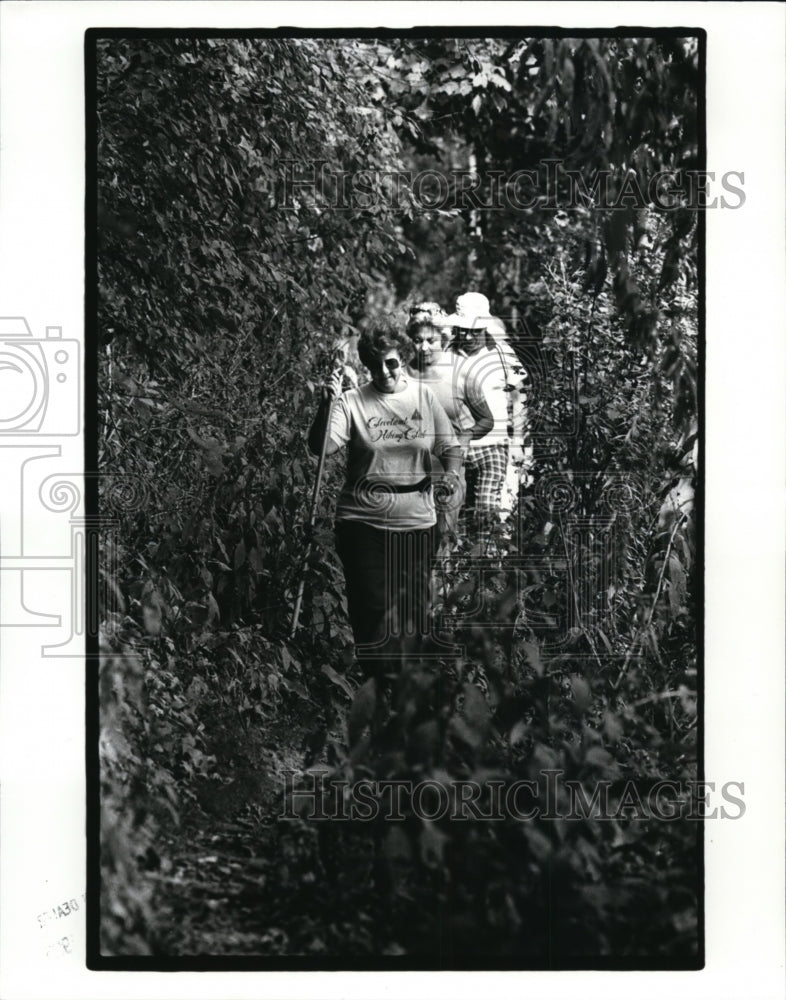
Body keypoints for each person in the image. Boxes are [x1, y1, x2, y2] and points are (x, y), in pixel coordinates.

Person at [308, 318, 462, 677]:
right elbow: (321, 448)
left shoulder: (423, 397)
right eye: (375, 364)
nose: (383, 371)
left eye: (391, 362)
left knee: (411, 609)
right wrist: (324, 406)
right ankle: (377, 679)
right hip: (362, 519)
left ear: (403, 358)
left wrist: (451, 475)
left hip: (417, 518)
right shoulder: (351, 401)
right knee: (371, 603)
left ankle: (404, 682)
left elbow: (450, 446)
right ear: (365, 364)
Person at [445, 292, 531, 552]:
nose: (469, 336)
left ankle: (484, 568)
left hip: (493, 445)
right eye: (463, 330)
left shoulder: (503, 352)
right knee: (453, 510)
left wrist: (518, 442)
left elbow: (519, 395)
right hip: (455, 447)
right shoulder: (446, 353)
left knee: (486, 510)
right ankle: (453, 571)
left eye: (475, 330)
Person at [403, 301, 494, 545]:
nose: (423, 348)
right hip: (405, 474)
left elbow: (487, 420)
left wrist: (465, 435)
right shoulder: (400, 376)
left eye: (430, 341)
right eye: (417, 340)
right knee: (408, 549)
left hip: (448, 473)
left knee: (442, 543)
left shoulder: (461, 374)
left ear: (442, 339)